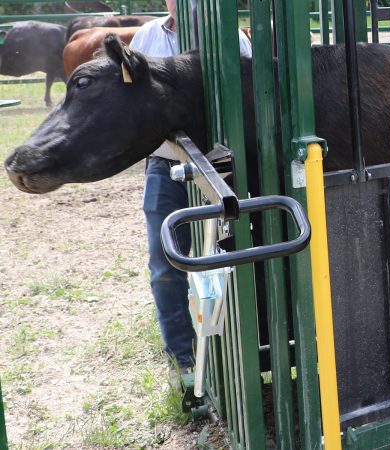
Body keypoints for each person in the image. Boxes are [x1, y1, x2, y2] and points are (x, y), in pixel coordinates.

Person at [129, 1, 252, 381]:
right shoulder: (147, 37)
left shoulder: (230, 36)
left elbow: (248, 97)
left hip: (223, 169)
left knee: (233, 260)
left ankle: (235, 354)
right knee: (166, 262)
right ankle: (182, 358)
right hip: (166, 165)